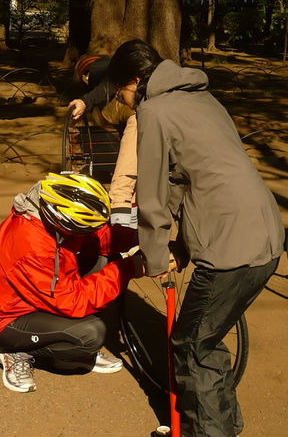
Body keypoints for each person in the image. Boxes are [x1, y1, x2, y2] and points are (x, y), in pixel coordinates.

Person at [107, 39, 285, 437]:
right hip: (265, 233)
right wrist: (176, 246)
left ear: (135, 80)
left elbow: (152, 194)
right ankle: (221, 426)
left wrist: (154, 257)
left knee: (190, 345)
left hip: (229, 245)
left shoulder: (153, 110)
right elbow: (187, 180)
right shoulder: (205, 98)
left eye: (121, 90)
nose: (123, 99)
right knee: (206, 338)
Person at [0, 172, 145, 393]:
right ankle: (16, 351)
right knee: (90, 335)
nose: (88, 231)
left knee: (103, 258)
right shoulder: (31, 245)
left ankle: (54, 337)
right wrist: (129, 268)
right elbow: (73, 301)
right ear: (61, 221)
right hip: (7, 318)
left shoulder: (51, 212)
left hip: (40, 296)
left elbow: (98, 237)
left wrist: (145, 237)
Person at [67, 54, 139, 228]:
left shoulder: (101, 72)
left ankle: (121, 228)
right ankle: (133, 226)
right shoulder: (119, 66)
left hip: (135, 121)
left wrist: (86, 101)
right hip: (142, 123)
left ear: (85, 74)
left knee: (123, 182)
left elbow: (106, 87)